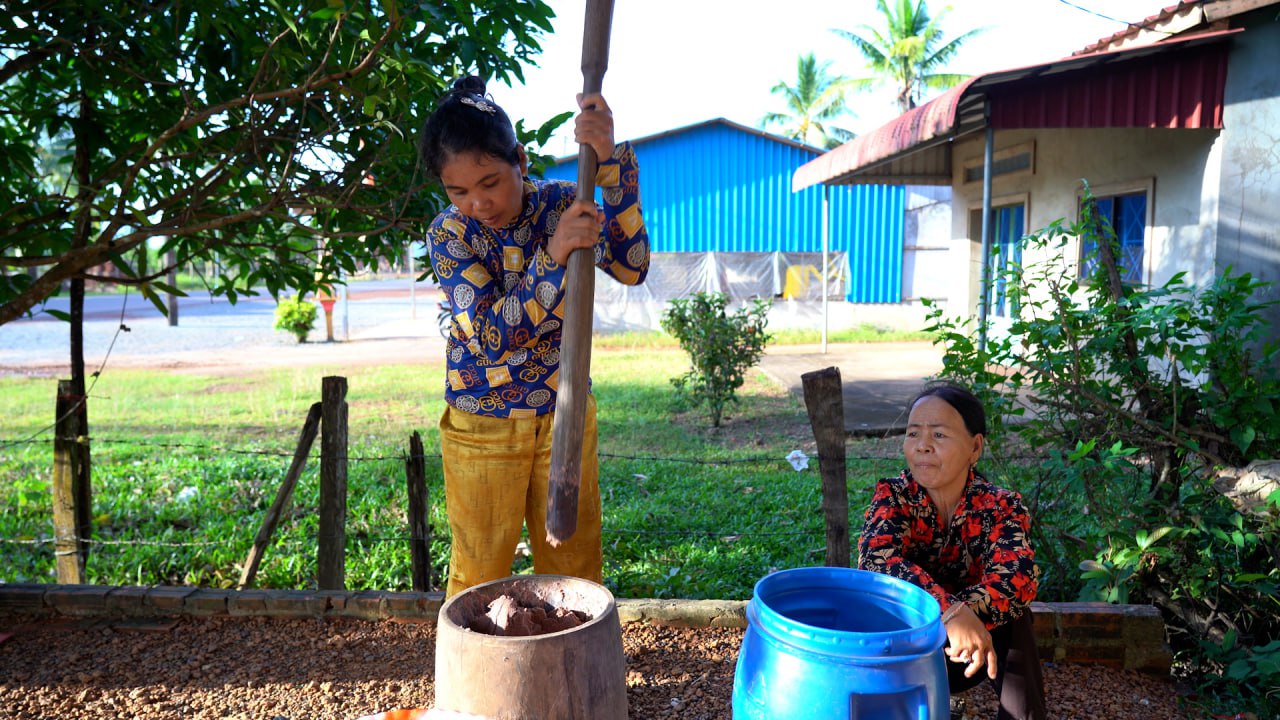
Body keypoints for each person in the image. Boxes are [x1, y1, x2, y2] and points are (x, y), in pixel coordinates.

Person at [419, 76, 649, 598]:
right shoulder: (449, 234)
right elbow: (491, 337)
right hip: (482, 424)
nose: (478, 203)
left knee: (574, 568)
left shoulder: (565, 203)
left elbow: (632, 266)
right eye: (458, 191)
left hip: (565, 415)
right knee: (479, 573)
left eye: (490, 183)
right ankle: (475, 657)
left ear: (520, 160)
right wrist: (555, 256)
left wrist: (610, 164)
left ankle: (573, 654)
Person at [857, 382, 1047, 720]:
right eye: (913, 433)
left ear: (975, 447)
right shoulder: (893, 497)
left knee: (1016, 618)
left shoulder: (1000, 506)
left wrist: (965, 616)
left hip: (972, 650)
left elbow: (1017, 578)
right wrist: (949, 613)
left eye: (939, 435)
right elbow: (876, 562)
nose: (922, 445)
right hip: (905, 647)